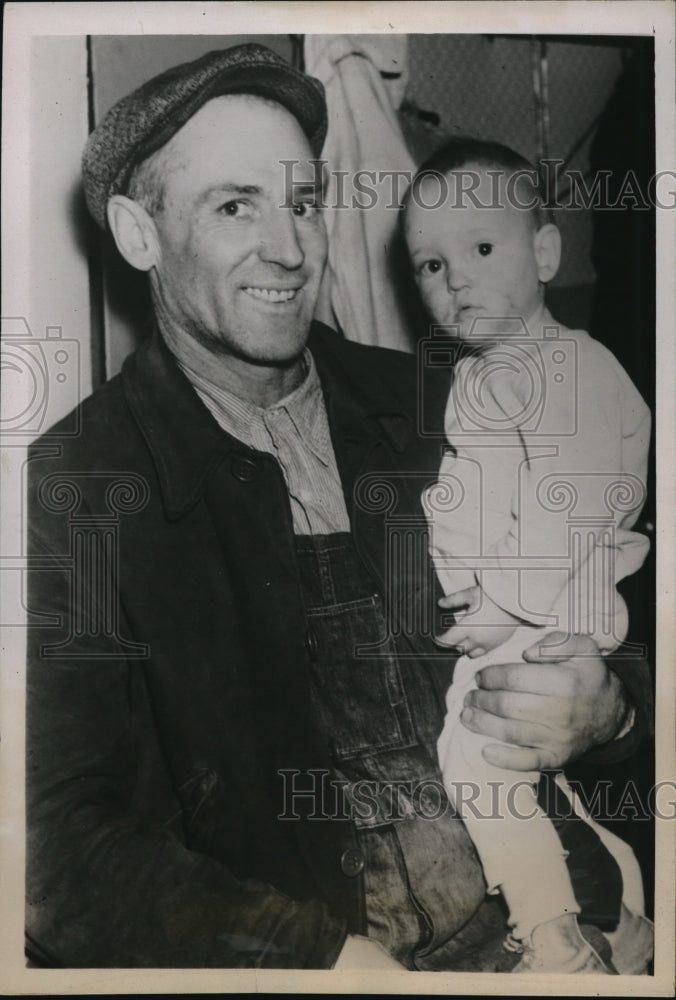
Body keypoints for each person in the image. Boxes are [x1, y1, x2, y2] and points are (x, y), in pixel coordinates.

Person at [26, 44, 652, 972]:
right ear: (138, 233)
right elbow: (56, 853)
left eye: (304, 203)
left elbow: (626, 603)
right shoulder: (82, 483)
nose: (291, 249)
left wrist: (615, 716)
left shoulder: (445, 397)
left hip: (576, 931)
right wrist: (318, 962)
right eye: (236, 205)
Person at [404, 138, 654, 972]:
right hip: (519, 605)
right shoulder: (484, 373)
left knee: (473, 758)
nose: (456, 279)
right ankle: (609, 887)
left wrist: (502, 603)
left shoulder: (570, 369)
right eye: (431, 264)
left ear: (545, 252)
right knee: (509, 765)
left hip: (553, 608)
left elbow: (569, 508)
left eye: (481, 249)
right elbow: (476, 489)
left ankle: (553, 935)